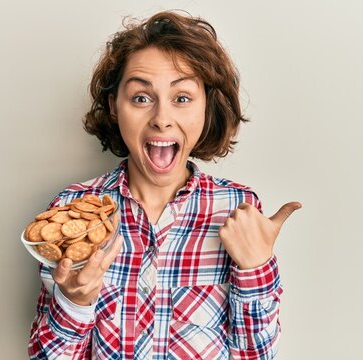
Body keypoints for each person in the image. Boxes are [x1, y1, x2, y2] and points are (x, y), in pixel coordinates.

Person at [28, 10, 301, 360]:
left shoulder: (237, 208)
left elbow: (256, 356)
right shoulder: (73, 213)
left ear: (207, 107)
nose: (161, 119)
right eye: (141, 98)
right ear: (114, 107)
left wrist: (255, 269)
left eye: (182, 98)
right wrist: (75, 304)